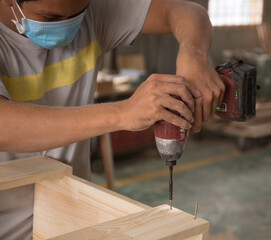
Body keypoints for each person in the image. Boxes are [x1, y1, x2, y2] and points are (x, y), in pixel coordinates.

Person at [0, 0, 224, 238]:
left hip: (71, 217)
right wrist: (123, 112)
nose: (66, 27)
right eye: (51, 18)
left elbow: (186, 10)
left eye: (77, 15)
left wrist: (194, 55)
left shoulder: (94, 13)